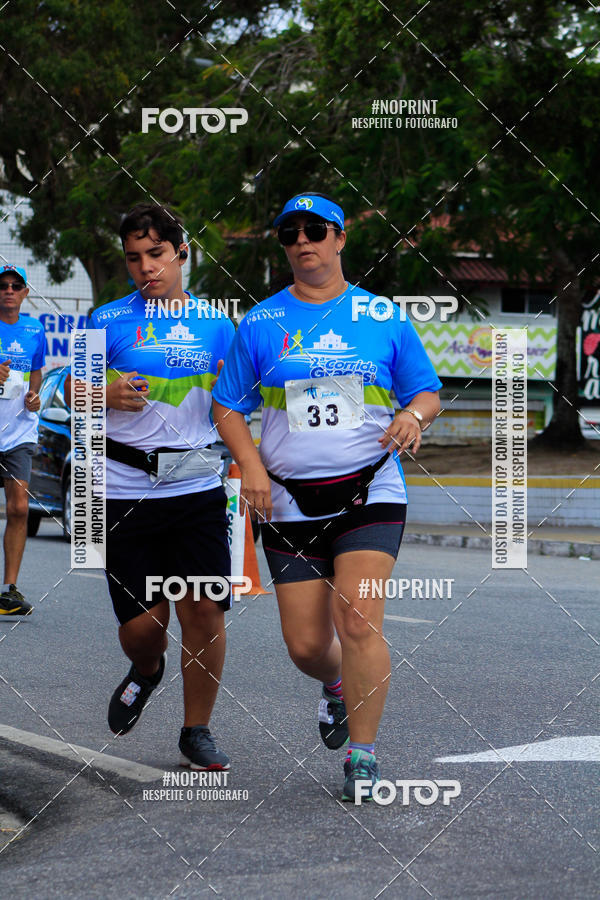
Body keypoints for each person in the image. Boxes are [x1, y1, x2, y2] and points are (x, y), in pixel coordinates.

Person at [213, 192, 442, 800]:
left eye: (316, 230)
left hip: (371, 491)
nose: (303, 241)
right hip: (287, 501)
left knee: (358, 619)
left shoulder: (383, 318)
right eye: (290, 234)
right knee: (309, 645)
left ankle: (363, 756)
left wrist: (415, 418)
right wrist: (251, 466)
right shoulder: (260, 324)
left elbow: (425, 392)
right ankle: (336, 684)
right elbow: (226, 408)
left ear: (341, 239)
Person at [66, 203, 234, 769]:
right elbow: (67, 390)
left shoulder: (218, 326)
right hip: (122, 491)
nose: (146, 267)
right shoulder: (108, 320)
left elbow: (236, 406)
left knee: (203, 613)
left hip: (196, 490)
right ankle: (146, 668)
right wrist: (102, 392)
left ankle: (197, 729)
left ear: (182, 253)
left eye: (156, 254)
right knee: (143, 628)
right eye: (135, 258)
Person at [0, 264, 44, 616]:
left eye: (16, 285)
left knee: (19, 508)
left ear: (25, 292)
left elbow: (38, 369)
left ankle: (9, 590)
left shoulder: (34, 329)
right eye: (3, 286)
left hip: (19, 432)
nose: (9, 290)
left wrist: (34, 394)